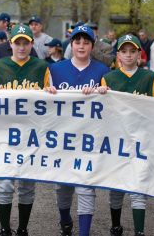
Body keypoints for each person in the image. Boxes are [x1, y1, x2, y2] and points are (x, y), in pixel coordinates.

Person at [46, 25, 110, 236]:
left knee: (86, 186)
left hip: (89, 138)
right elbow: (43, 104)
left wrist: (104, 92)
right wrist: (47, 92)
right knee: (62, 187)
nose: (81, 46)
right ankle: (65, 220)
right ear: (71, 44)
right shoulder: (55, 69)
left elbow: (110, 105)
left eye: (86, 42)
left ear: (92, 45)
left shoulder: (102, 71)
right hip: (62, 137)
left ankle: (84, 232)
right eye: (77, 42)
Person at [0, 24, 49, 236]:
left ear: (32, 44)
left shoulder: (41, 67)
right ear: (10, 44)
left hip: (31, 135)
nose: (21, 47)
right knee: (4, 184)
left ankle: (23, 228)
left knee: (27, 185)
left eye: (26, 43)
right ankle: (5, 228)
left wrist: (52, 93)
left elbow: (52, 104)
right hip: (5, 134)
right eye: (17, 43)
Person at [101, 35, 154, 236]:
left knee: (138, 187)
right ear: (118, 54)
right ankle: (115, 226)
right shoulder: (109, 78)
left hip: (141, 140)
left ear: (139, 54)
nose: (128, 55)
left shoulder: (149, 77)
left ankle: (139, 231)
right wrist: (99, 93)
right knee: (116, 186)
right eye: (124, 51)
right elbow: (101, 112)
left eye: (132, 51)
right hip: (116, 140)